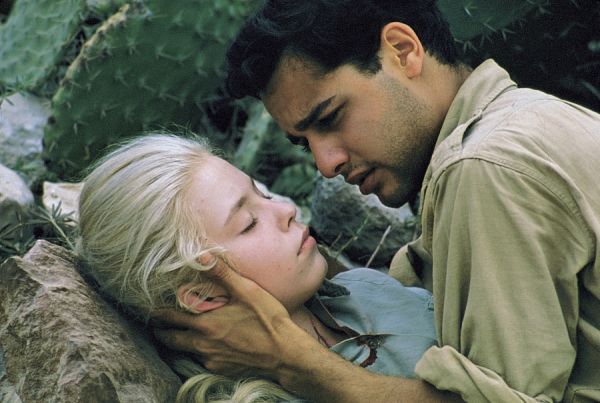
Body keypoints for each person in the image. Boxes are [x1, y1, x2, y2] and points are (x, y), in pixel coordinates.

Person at [152, 0, 600, 402]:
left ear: (403, 51)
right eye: (305, 144)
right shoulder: (521, 122)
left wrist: (293, 362)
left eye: (330, 117)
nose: (325, 164)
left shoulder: (484, 166)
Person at [76, 133, 438, 402]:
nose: (286, 209)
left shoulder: (366, 286)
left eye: (262, 194)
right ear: (202, 295)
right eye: (249, 223)